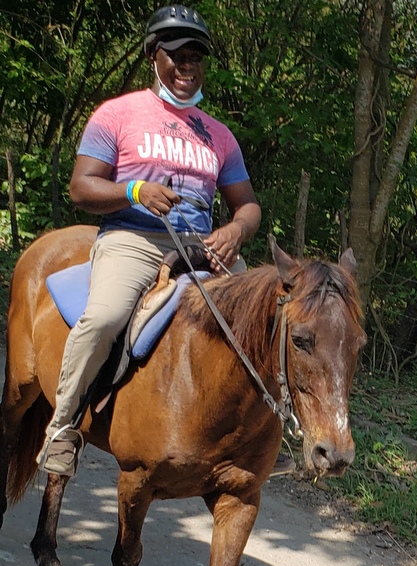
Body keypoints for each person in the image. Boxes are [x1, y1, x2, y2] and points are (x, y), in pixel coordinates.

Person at [37, 5, 262, 476]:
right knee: (103, 318)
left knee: (266, 319)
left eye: (195, 56)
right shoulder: (116, 114)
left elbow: (248, 205)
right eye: (177, 54)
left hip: (202, 246)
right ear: (153, 56)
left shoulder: (219, 136)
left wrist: (235, 230)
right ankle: (62, 428)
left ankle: (260, 436)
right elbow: (81, 188)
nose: (187, 65)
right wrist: (134, 191)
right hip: (134, 239)